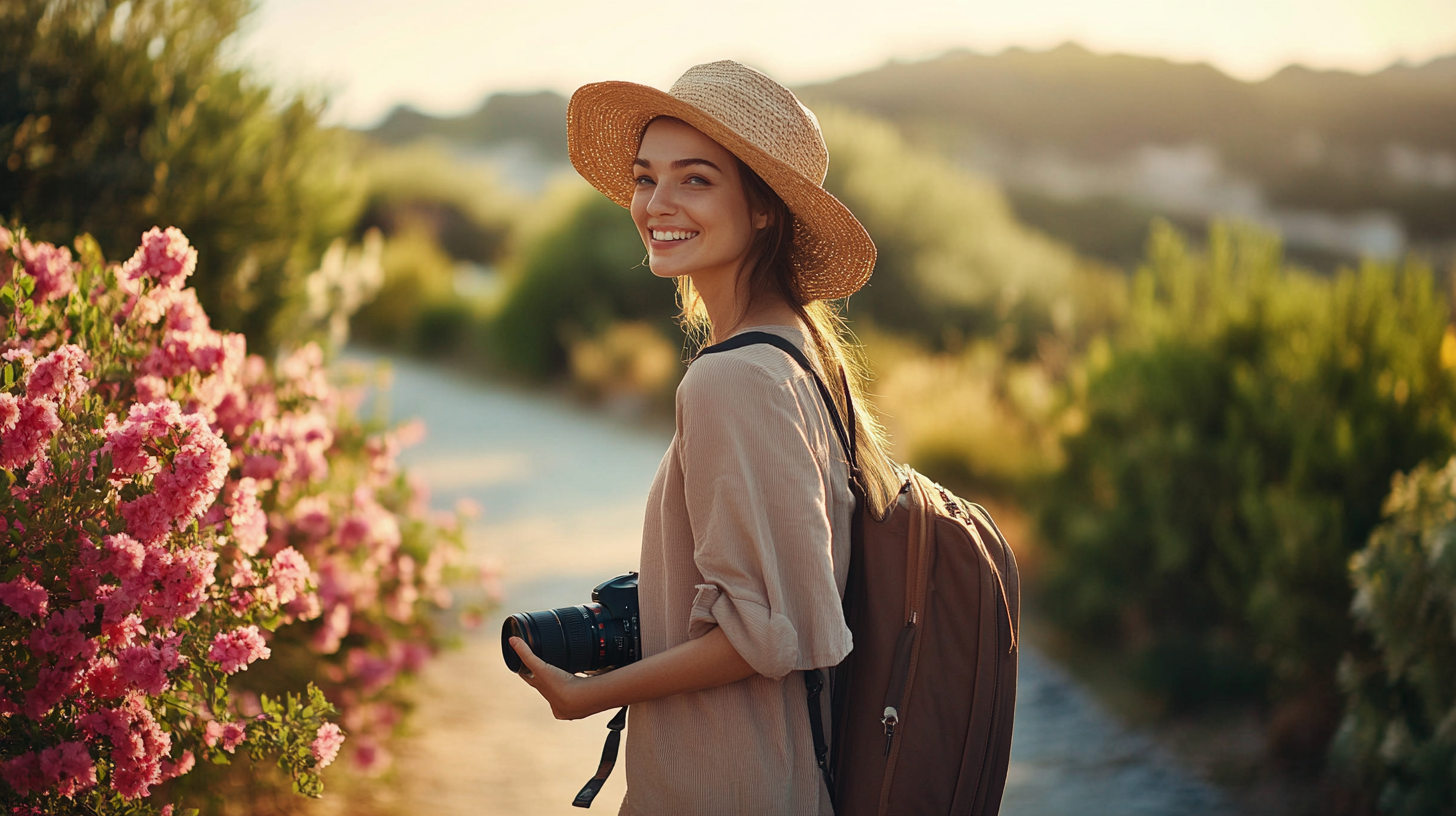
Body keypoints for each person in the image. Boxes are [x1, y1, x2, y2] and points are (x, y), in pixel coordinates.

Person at [508, 59, 900, 816]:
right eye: (645, 176)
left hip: (722, 786)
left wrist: (589, 696)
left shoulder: (732, 379)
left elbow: (762, 636)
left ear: (762, 209)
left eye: (695, 179)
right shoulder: (802, 354)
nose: (656, 203)